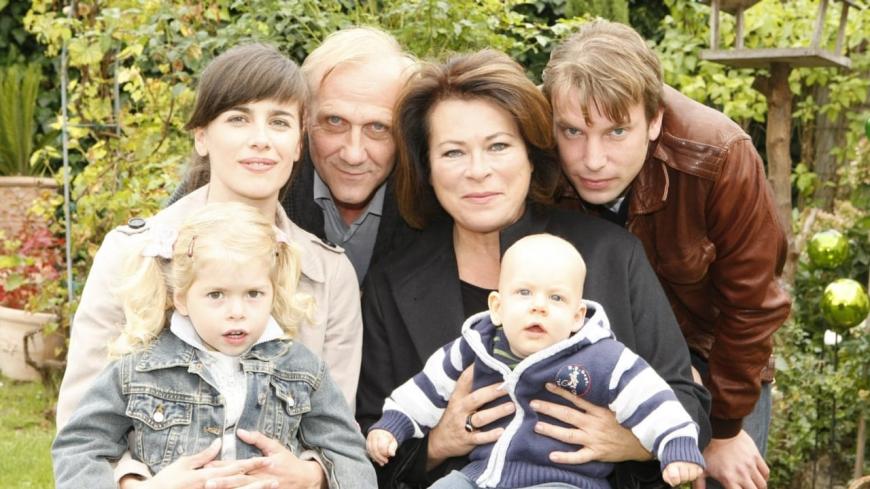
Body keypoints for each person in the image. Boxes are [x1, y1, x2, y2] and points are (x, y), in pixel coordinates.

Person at [356, 49, 711, 489]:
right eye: (452, 152)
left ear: (531, 154)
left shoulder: (611, 255)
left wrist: (630, 443)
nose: (478, 171)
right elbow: (364, 441)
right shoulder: (392, 283)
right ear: (426, 167)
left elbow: (687, 402)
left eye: (498, 146)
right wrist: (437, 445)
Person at [56, 43, 362, 488]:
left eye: (279, 122)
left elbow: (338, 433)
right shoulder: (132, 253)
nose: (261, 139)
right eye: (238, 118)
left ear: (299, 144)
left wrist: (311, 476)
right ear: (202, 136)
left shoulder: (329, 273)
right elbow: (79, 431)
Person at [542, 20, 791, 489]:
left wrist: (721, 429)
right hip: (599, 356)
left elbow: (752, 306)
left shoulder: (720, 157)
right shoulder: (533, 145)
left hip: (718, 359)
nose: (592, 160)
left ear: (654, 119)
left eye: (617, 131)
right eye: (572, 131)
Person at [52, 203, 375, 489]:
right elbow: (80, 445)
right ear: (182, 299)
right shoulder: (139, 369)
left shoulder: (302, 370)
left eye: (253, 294)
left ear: (273, 293)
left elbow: (347, 452)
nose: (237, 311)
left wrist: (313, 476)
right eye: (216, 295)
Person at [367, 234, 705, 488]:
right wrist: (393, 424)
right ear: (497, 307)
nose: (538, 306)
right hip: (482, 476)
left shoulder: (601, 357)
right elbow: (426, 387)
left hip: (565, 480)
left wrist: (676, 443)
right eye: (524, 293)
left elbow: (652, 399)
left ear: (577, 316)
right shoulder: (476, 346)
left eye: (556, 297)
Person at [280, 27, 419, 283]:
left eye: (378, 127)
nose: (353, 155)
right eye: (335, 121)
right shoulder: (266, 186)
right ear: (305, 118)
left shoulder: (431, 203)